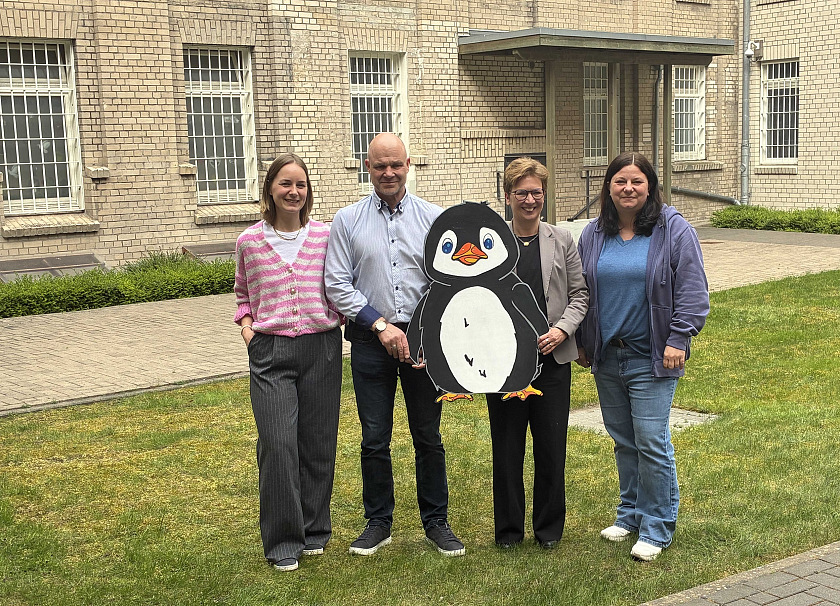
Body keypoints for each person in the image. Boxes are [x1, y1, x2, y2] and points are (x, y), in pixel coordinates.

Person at [324, 133, 465, 557]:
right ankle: (378, 523)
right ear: (367, 167)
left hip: (423, 344)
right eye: (379, 165)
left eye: (396, 165)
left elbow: (450, 280)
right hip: (371, 341)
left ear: (408, 165)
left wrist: (426, 333)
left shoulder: (435, 220)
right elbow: (336, 283)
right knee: (373, 436)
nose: (388, 172)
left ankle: (436, 523)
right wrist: (381, 324)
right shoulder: (346, 220)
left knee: (428, 435)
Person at [575, 151, 709, 562]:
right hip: (608, 357)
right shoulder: (595, 233)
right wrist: (583, 340)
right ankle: (630, 512)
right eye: (620, 181)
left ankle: (657, 526)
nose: (628, 188)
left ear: (650, 186)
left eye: (636, 181)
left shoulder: (673, 230)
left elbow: (693, 292)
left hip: (652, 356)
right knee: (623, 441)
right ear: (609, 188)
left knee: (651, 441)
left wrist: (679, 338)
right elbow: (583, 290)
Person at [234, 153, 343, 572]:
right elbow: (243, 294)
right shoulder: (249, 241)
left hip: (322, 348)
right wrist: (248, 330)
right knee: (278, 445)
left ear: (308, 191)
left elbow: (340, 285)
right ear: (270, 190)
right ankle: (283, 542)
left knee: (318, 444)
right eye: (285, 184)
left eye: (300, 184)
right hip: (270, 353)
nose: (293, 191)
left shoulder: (326, 236)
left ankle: (314, 529)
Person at [485, 157, 589, 549]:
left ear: (544, 195)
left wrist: (562, 330)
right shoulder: (491, 243)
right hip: (505, 365)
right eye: (521, 193)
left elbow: (580, 294)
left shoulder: (561, 240)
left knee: (550, 448)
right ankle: (508, 532)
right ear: (508, 196)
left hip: (552, 363)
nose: (530, 200)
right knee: (507, 449)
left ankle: (548, 530)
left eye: (536, 192)